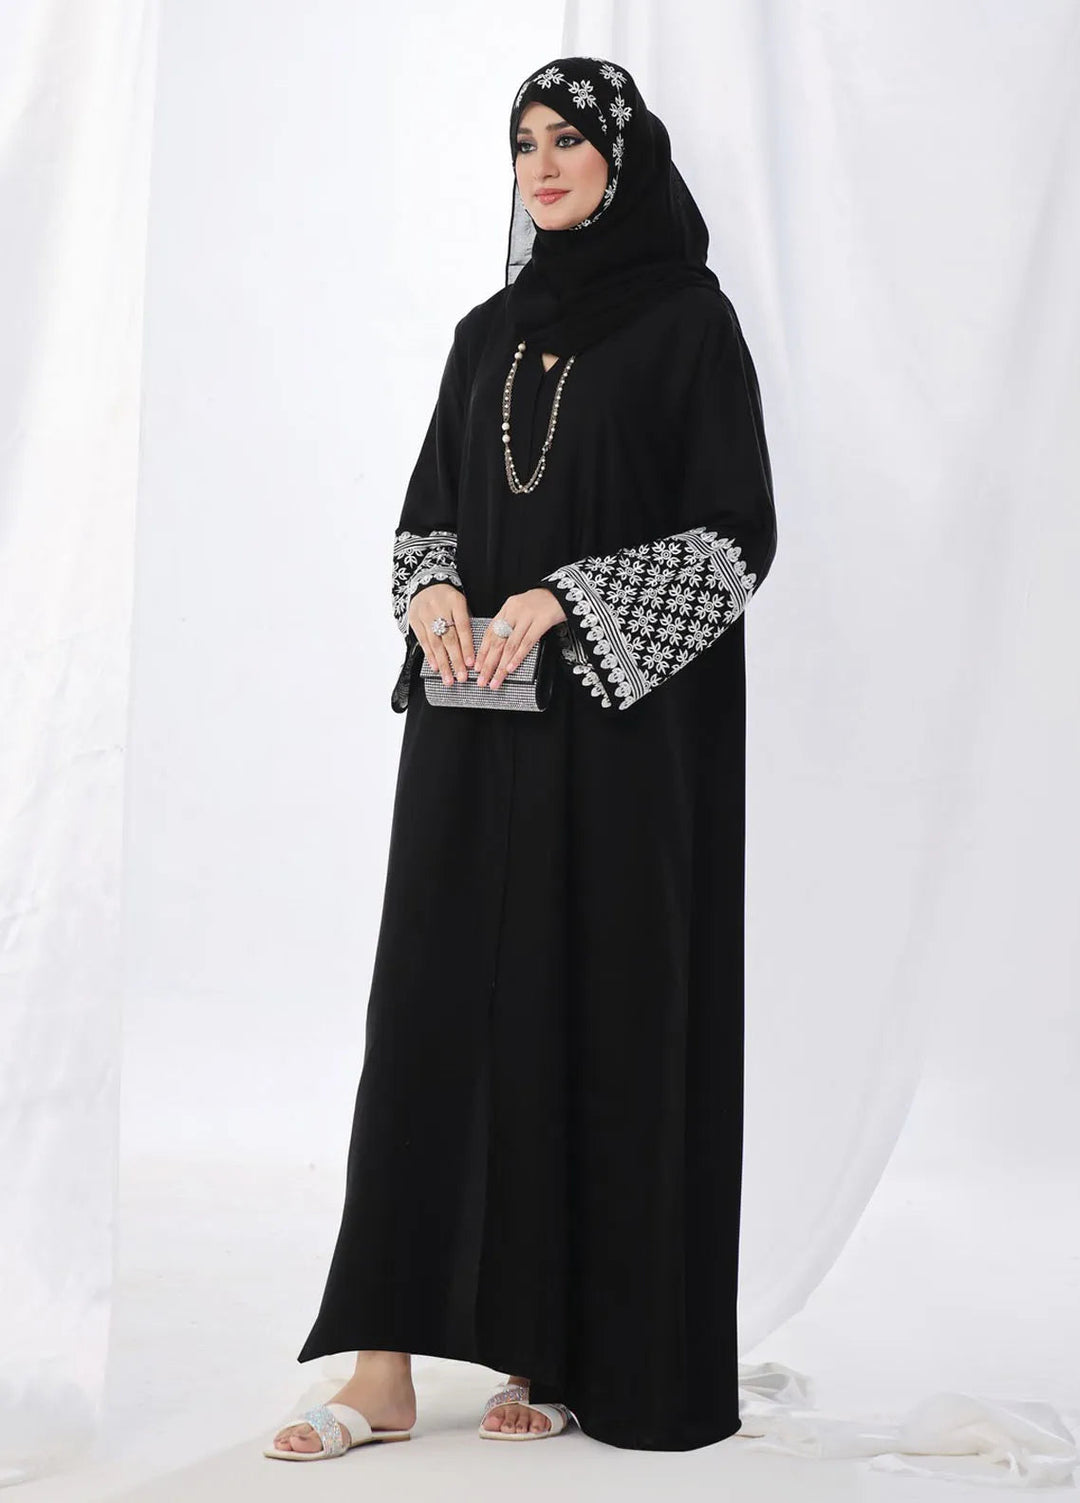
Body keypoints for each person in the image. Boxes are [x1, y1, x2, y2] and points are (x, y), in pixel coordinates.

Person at [265, 53, 776, 1460]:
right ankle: (381, 1369)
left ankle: (553, 1356)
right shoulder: (485, 332)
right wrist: (430, 585)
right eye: (524, 143)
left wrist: (568, 600)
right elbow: (430, 504)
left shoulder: (689, 323)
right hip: (472, 729)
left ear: (623, 158)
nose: (542, 167)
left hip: (617, 750)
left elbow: (738, 535)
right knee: (430, 1017)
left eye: (567, 141)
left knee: (585, 1016)